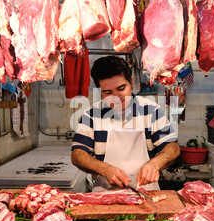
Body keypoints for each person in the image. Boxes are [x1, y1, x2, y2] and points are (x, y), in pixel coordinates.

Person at [71, 56, 180, 191]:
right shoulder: (91, 115)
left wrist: (155, 164)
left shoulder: (151, 111)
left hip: (147, 194)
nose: (116, 97)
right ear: (100, 92)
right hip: (105, 197)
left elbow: (172, 147)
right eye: (108, 92)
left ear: (131, 83)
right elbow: (77, 155)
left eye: (121, 88)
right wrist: (104, 169)